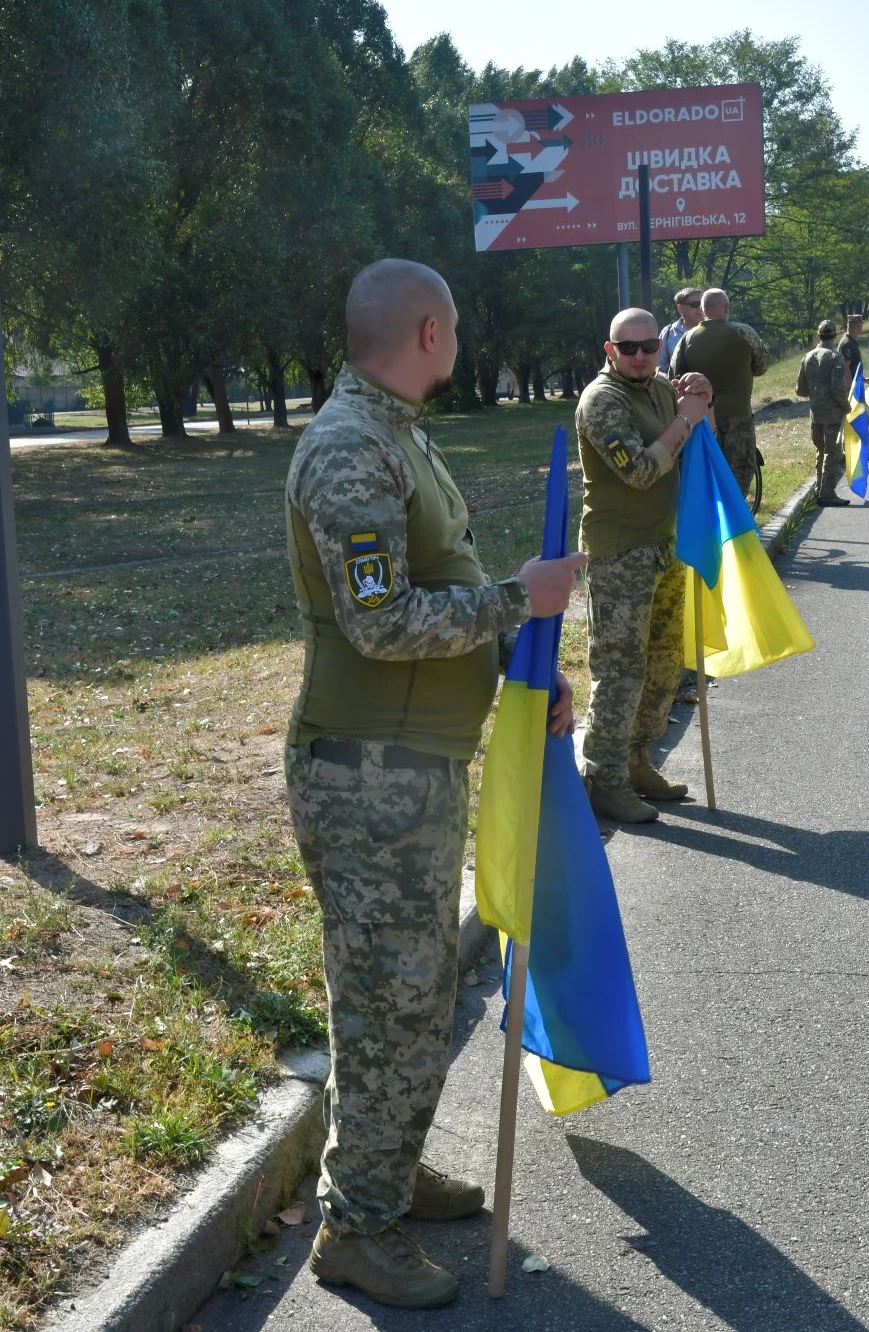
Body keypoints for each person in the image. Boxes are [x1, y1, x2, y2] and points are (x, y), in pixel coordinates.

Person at [283, 258, 585, 1309]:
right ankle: (356, 1229)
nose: (459, 344)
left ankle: (385, 1168)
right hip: (366, 776)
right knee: (388, 1002)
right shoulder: (350, 450)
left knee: (409, 995)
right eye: (454, 329)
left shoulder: (398, 434)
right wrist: (518, 600)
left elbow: (434, 586)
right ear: (426, 332)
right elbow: (381, 623)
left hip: (408, 768)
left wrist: (519, 666)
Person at [576, 306, 711, 824]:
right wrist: (684, 418)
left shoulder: (659, 388)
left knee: (662, 662)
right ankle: (604, 779)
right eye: (626, 348)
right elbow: (638, 471)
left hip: (664, 544)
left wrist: (702, 400)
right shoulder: (602, 399)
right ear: (610, 351)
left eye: (647, 346)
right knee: (619, 670)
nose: (638, 356)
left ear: (660, 346)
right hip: (619, 552)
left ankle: (637, 762)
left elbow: (697, 445)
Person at [670, 287, 770, 495]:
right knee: (739, 472)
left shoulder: (686, 339)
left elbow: (675, 375)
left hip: (701, 420)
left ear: (704, 311)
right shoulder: (744, 333)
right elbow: (762, 366)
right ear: (726, 308)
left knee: (705, 474)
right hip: (738, 418)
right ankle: (735, 520)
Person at [796, 319, 851, 507]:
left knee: (820, 451)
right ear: (834, 336)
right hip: (832, 415)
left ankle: (819, 488)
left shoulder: (808, 357)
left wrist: (815, 392)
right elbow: (838, 388)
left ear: (819, 336)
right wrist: (846, 406)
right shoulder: (835, 358)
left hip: (815, 414)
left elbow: (800, 390)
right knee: (833, 453)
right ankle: (827, 492)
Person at [838, 313, 869, 459]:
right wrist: (852, 389)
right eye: (860, 326)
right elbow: (846, 368)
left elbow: (853, 368)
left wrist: (862, 379)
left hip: (856, 385)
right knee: (863, 419)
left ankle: (859, 451)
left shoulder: (851, 341)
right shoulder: (847, 344)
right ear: (858, 326)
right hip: (852, 389)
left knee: (864, 419)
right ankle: (857, 452)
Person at [656, 286, 703, 373]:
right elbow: (659, 366)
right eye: (695, 304)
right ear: (680, 308)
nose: (700, 308)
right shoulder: (667, 332)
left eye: (702, 304)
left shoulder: (712, 331)